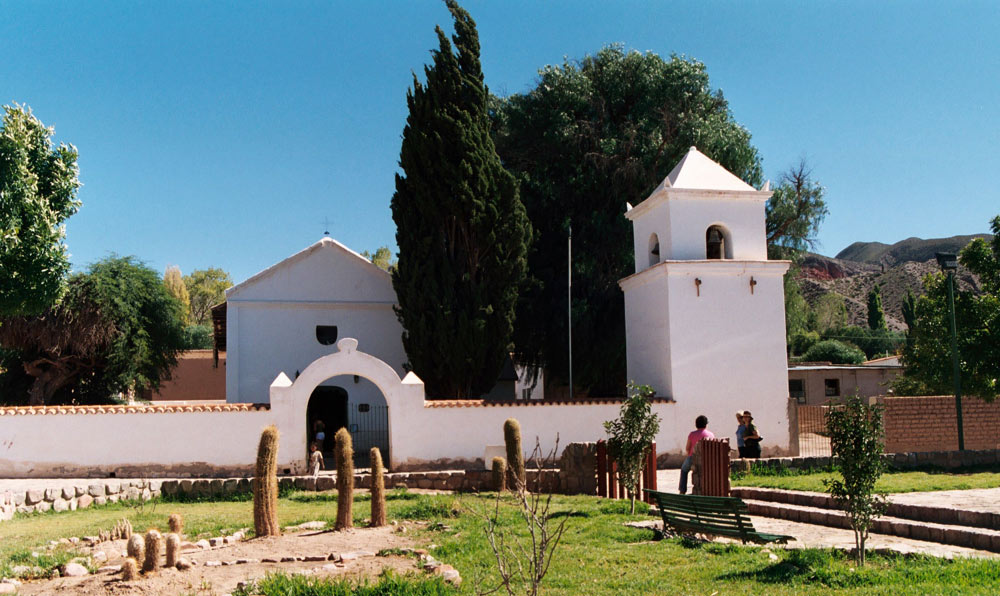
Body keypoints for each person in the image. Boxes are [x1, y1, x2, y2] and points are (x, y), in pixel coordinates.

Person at [678, 415, 715, 494]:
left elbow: (687, 448)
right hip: (708, 459)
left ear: (696, 424)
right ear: (706, 424)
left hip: (693, 458)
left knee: (684, 470)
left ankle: (682, 490)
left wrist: (689, 455)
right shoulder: (711, 435)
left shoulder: (692, 434)